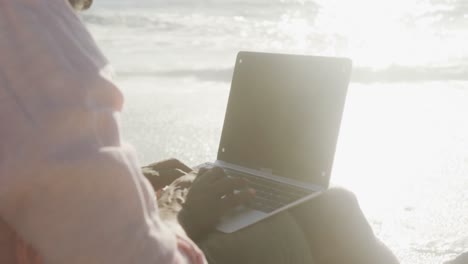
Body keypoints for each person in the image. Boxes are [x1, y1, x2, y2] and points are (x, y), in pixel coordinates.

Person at [0, 0, 421, 263]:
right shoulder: (26, 24)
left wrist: (147, 185)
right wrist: (178, 214)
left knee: (176, 173)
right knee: (320, 215)